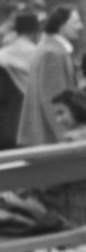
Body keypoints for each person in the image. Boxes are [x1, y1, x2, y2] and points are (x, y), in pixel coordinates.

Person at [39, 89, 86, 228]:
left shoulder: (72, 140)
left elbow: (53, 183)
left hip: (70, 215)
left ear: (78, 109)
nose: (58, 120)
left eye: (61, 113)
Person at [17, 5, 83, 148]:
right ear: (62, 25)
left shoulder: (50, 49)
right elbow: (54, 99)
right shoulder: (52, 53)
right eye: (76, 22)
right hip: (50, 139)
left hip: (46, 137)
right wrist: (66, 137)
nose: (81, 26)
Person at [0, 12, 39, 150]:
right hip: (30, 127)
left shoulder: (2, 56)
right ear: (35, 32)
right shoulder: (38, 55)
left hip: (4, 128)